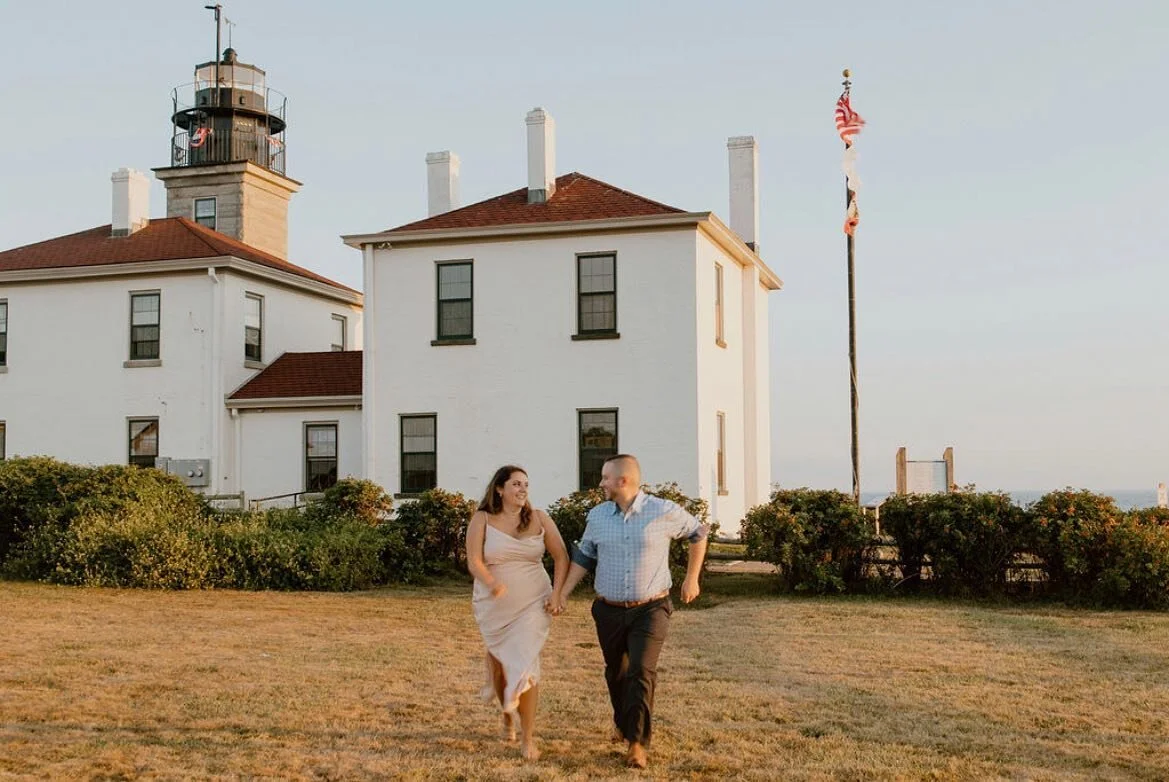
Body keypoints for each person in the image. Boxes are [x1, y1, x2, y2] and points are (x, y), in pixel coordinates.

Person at [550, 454, 708, 769]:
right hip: (607, 609)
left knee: (641, 671)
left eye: (605, 477)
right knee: (616, 671)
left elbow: (698, 533)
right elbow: (584, 556)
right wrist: (563, 594)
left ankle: (637, 744)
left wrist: (692, 578)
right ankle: (623, 724)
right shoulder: (598, 516)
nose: (600, 483)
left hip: (651, 607)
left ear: (623, 480)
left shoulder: (663, 511)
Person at [465, 465, 569, 761]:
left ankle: (528, 739)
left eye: (526, 484)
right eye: (516, 484)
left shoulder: (539, 519)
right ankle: (507, 714)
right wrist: (491, 582)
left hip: (534, 603)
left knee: (526, 663)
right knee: (500, 667)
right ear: (499, 489)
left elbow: (561, 556)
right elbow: (473, 560)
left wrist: (558, 593)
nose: (523, 490)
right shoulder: (482, 519)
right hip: (494, 605)